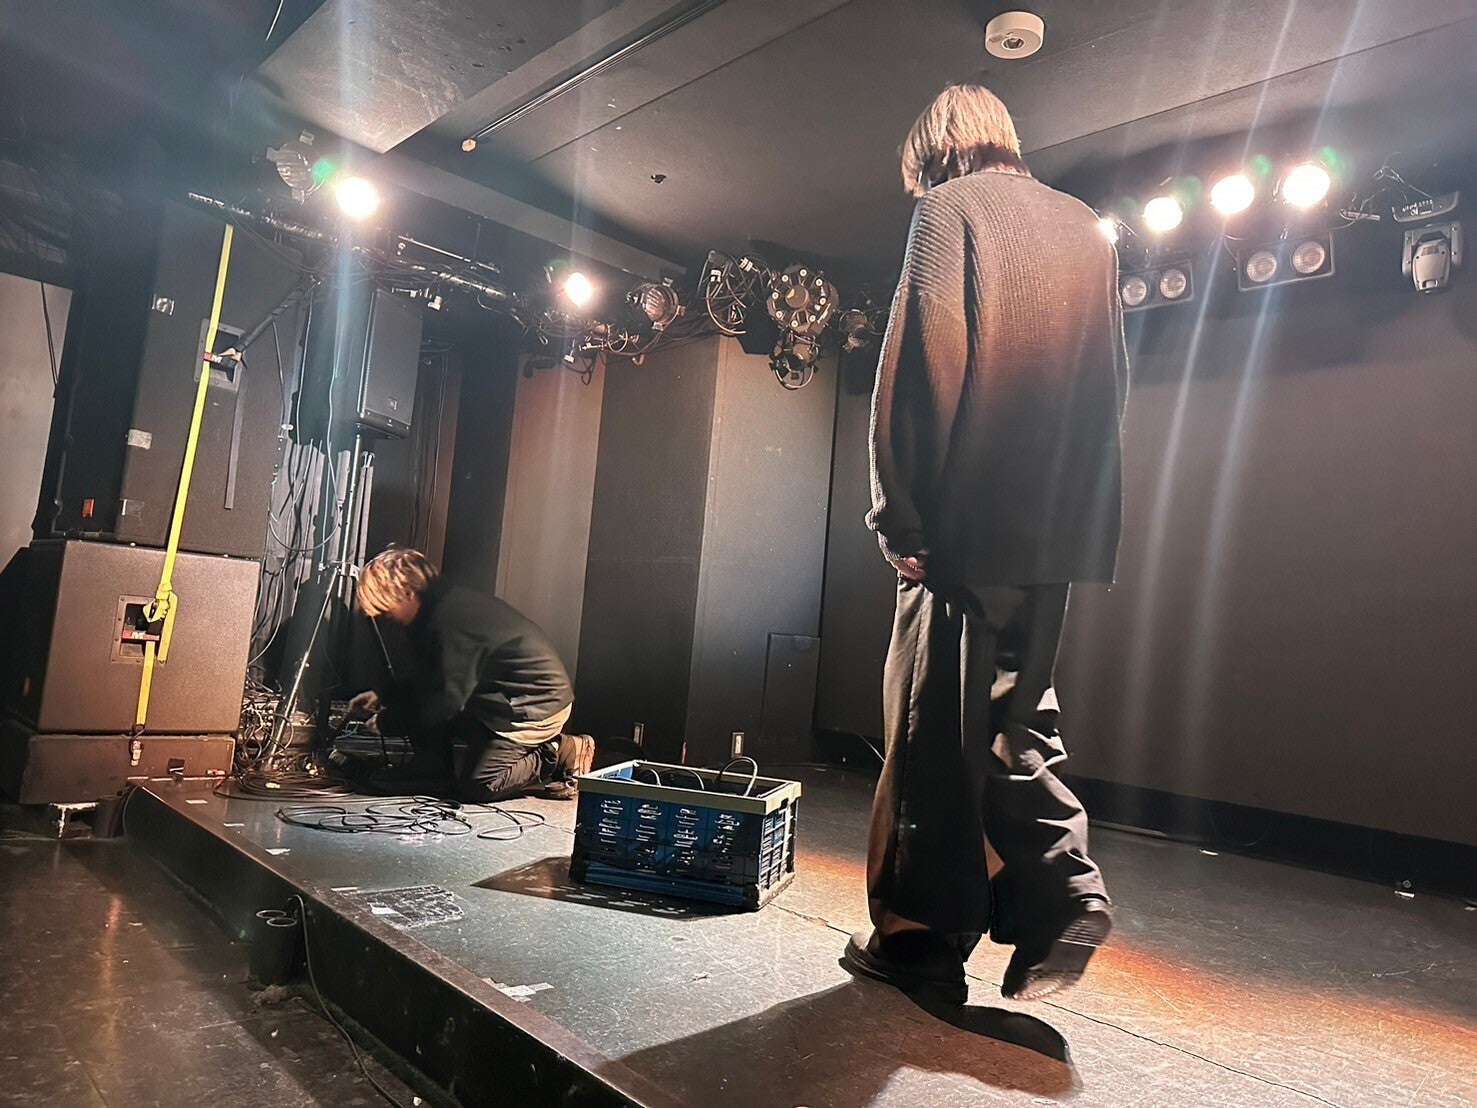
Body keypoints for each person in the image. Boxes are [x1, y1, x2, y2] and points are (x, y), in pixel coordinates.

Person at [840, 84, 1128, 1005]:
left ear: (937, 148)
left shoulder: (949, 210)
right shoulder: (1084, 226)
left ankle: (918, 942)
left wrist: (900, 517)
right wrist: (1076, 514)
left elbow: (920, 365)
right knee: (1014, 717)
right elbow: (1108, 384)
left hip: (962, 527)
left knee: (927, 729)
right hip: (1054, 527)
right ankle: (1061, 895)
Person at [348, 547, 594, 803]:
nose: (386, 616)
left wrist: (389, 721)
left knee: (481, 785)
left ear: (407, 593)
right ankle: (432, 770)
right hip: (500, 698)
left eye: (387, 609)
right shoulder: (435, 610)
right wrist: (384, 696)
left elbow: (445, 702)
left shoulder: (450, 620)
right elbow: (429, 680)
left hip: (534, 707)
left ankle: (561, 751)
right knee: (421, 708)